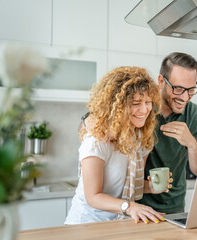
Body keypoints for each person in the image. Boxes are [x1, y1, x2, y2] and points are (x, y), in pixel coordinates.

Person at [65, 66, 169, 225]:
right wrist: (130, 207)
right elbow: (93, 197)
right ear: (116, 106)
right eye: (136, 103)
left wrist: (151, 187)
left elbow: (127, 186)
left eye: (148, 102)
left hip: (117, 225)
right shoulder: (97, 141)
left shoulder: (139, 138)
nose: (144, 109)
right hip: (85, 225)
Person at [137, 52, 197, 213]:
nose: (185, 97)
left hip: (175, 207)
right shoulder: (142, 110)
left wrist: (191, 143)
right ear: (161, 81)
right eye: (178, 89)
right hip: (138, 206)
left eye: (191, 90)